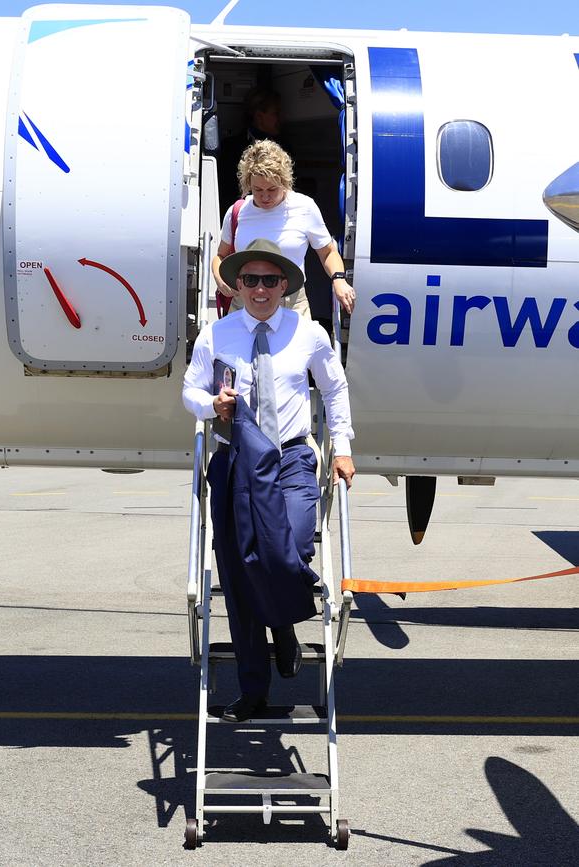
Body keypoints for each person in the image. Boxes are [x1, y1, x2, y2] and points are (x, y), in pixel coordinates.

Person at [183, 239, 355, 723]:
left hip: (291, 459)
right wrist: (208, 406)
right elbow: (189, 389)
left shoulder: (309, 333)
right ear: (237, 285)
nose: (260, 289)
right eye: (250, 280)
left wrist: (342, 448)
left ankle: (282, 624)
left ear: (285, 285)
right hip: (236, 462)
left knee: (290, 549)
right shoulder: (216, 335)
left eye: (270, 280)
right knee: (239, 575)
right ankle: (253, 690)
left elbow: (335, 390)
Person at [212, 139, 356, 319]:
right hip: (245, 304)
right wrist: (219, 278)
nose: (265, 196)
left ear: (285, 182)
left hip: (292, 305)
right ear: (248, 184)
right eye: (257, 190)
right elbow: (221, 256)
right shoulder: (238, 211)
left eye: (272, 189)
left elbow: (327, 252)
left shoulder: (304, 207)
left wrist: (339, 279)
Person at [218, 87, 285, 216]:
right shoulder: (231, 147)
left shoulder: (285, 148)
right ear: (259, 116)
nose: (281, 118)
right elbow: (226, 192)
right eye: (276, 113)